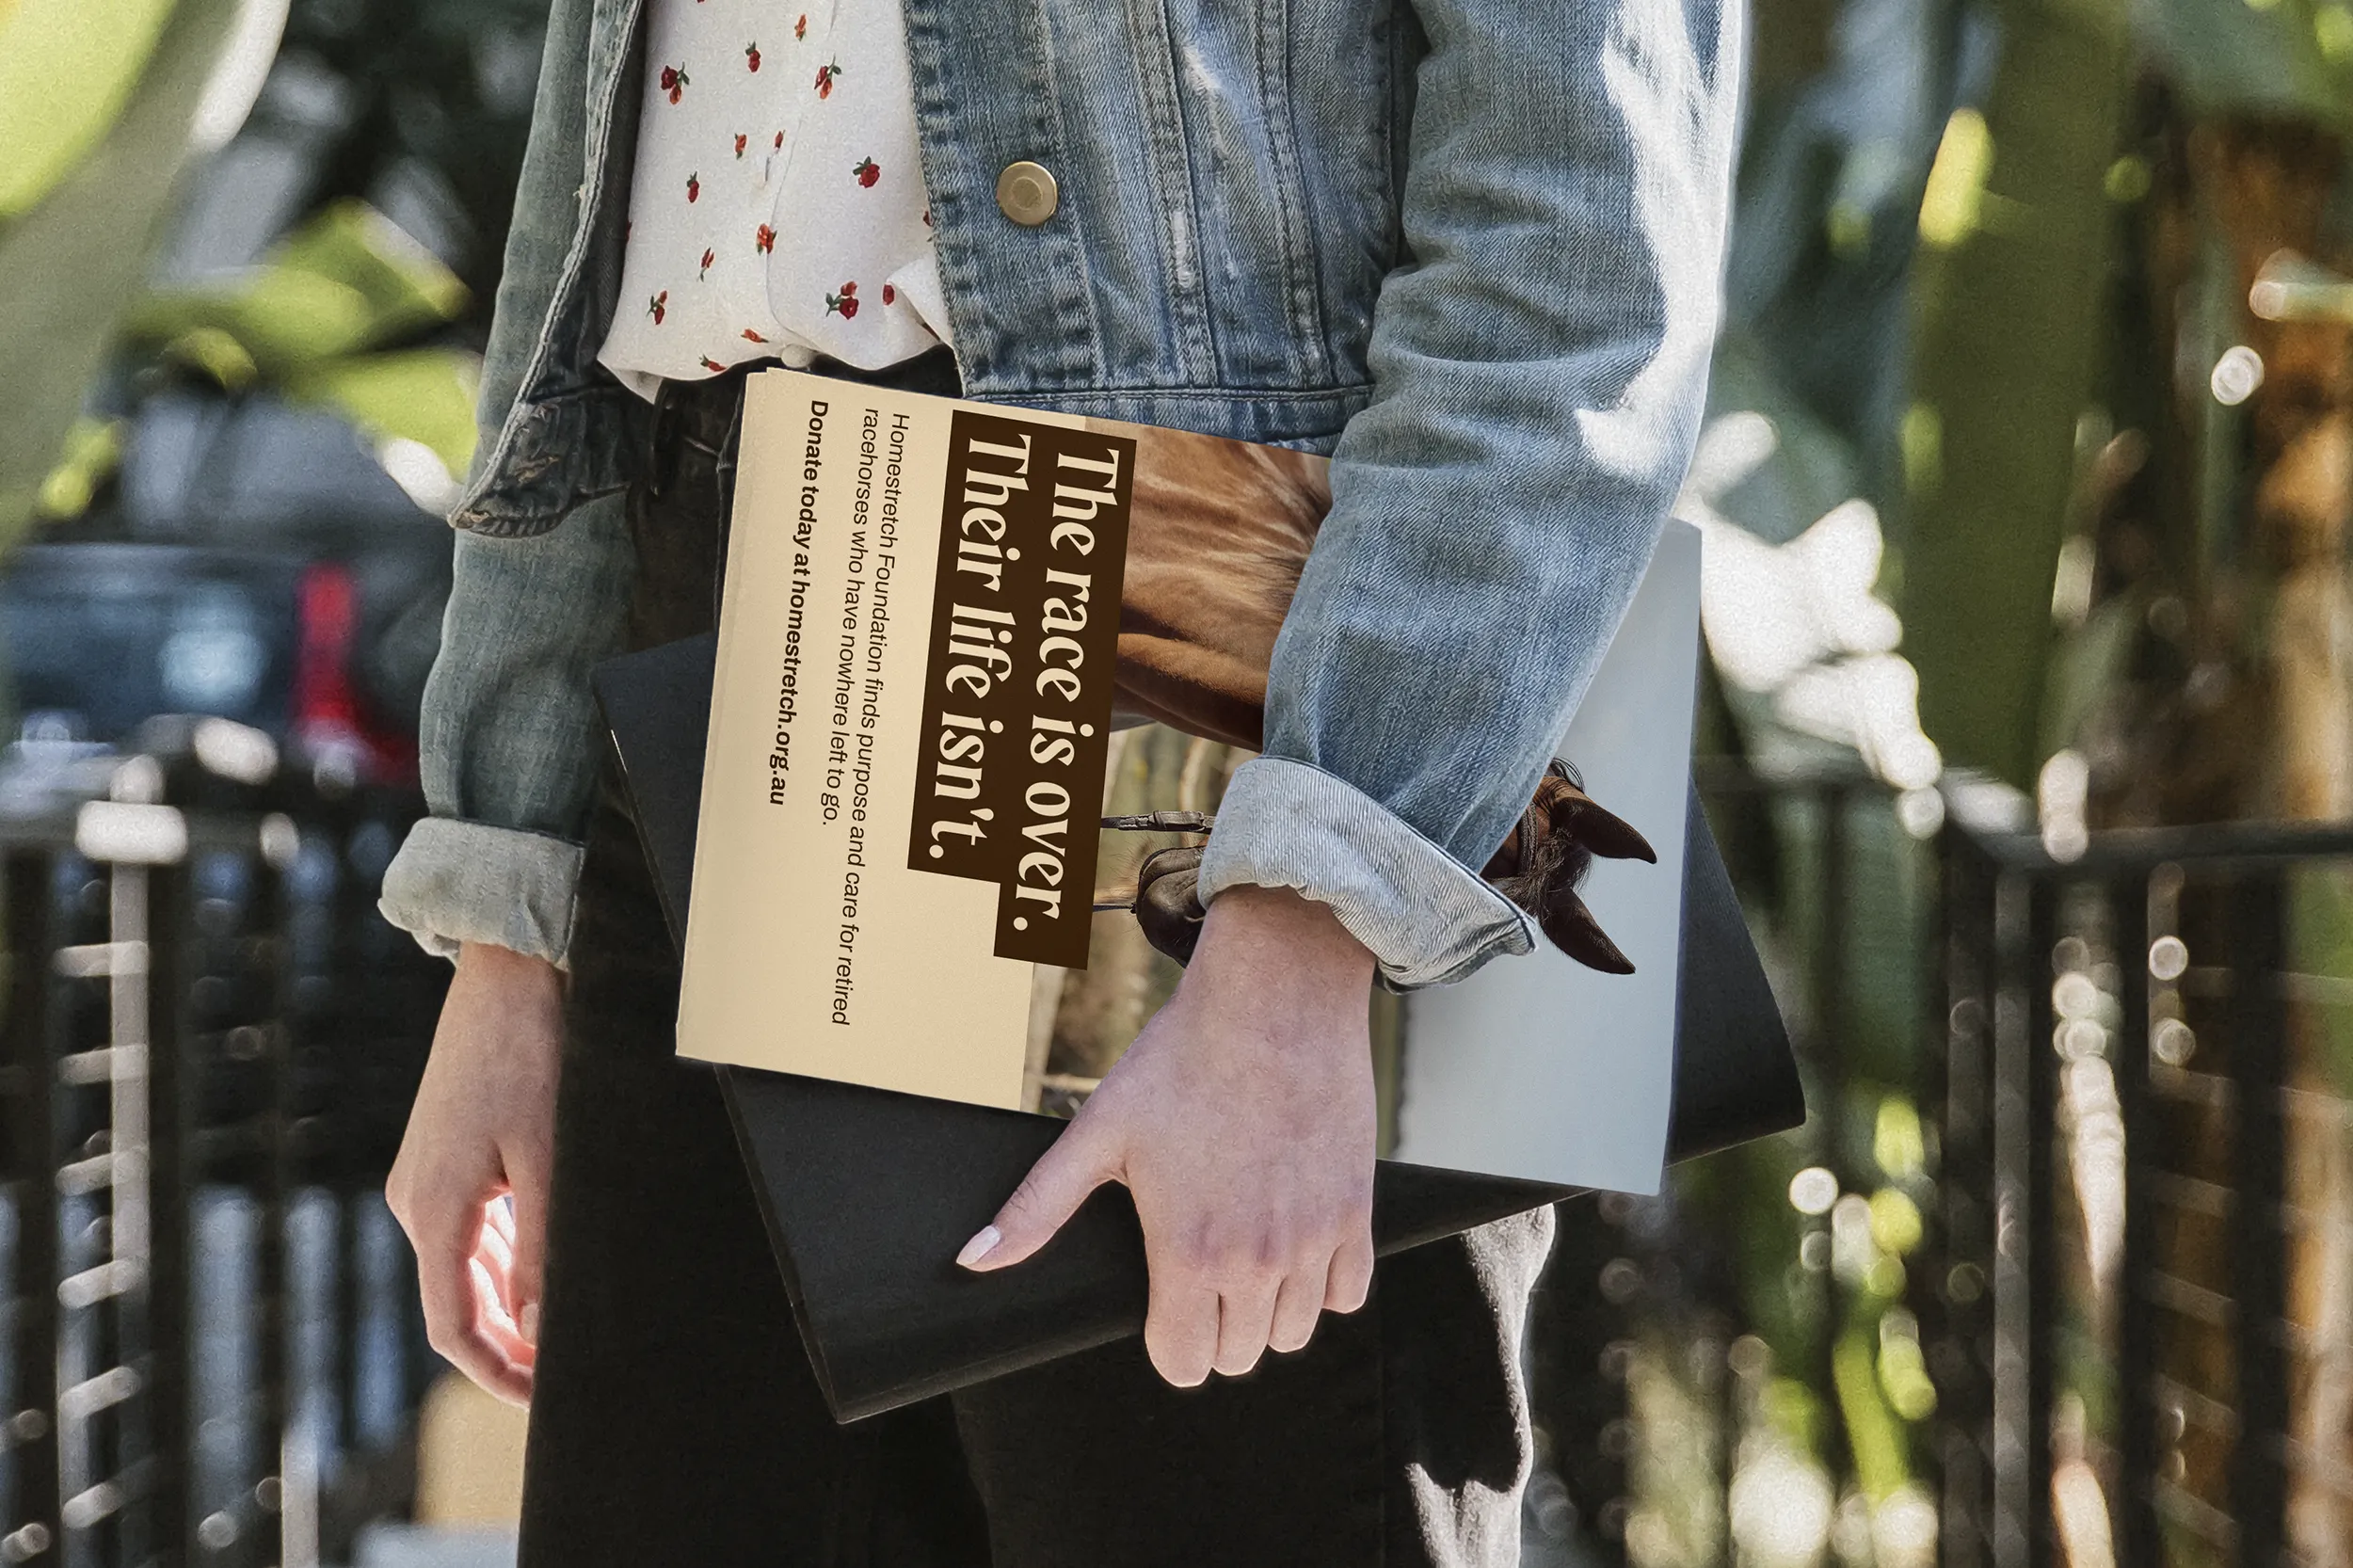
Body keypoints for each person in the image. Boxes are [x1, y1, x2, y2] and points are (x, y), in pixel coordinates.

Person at [377, 0, 1743, 1560]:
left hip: (1160, 641)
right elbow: (590, 217)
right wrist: (512, 913)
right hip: (714, 632)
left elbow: (1569, 254)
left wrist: (1316, 913)